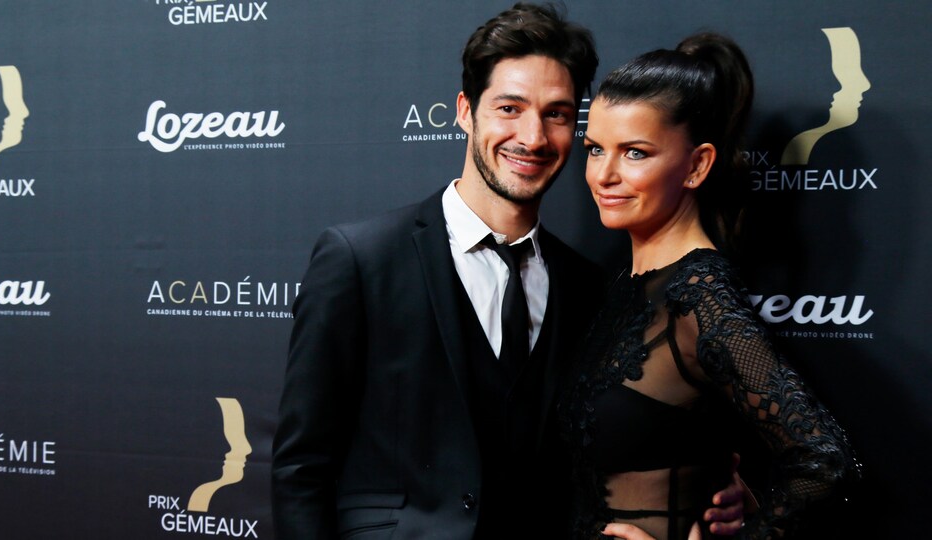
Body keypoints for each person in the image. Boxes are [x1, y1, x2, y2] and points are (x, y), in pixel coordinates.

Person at [272, 5, 744, 538]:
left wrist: (709, 490)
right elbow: (300, 469)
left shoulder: (590, 286)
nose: (534, 137)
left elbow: (620, 438)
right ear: (465, 111)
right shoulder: (360, 259)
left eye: (558, 114)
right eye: (509, 108)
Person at [559, 33, 859, 540]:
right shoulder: (625, 285)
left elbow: (825, 464)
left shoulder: (701, 294)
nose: (603, 175)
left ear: (697, 165)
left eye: (634, 153)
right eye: (594, 149)